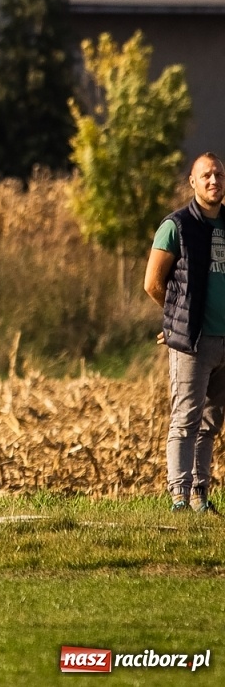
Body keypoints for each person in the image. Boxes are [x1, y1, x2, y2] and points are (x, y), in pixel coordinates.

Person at [144, 152, 225, 514]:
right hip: (193, 343)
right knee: (185, 419)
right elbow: (152, 283)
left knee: (210, 423)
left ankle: (199, 497)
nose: (214, 181)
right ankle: (179, 495)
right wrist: (176, 320)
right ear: (192, 182)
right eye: (206, 176)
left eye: (219, 175)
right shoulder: (176, 226)